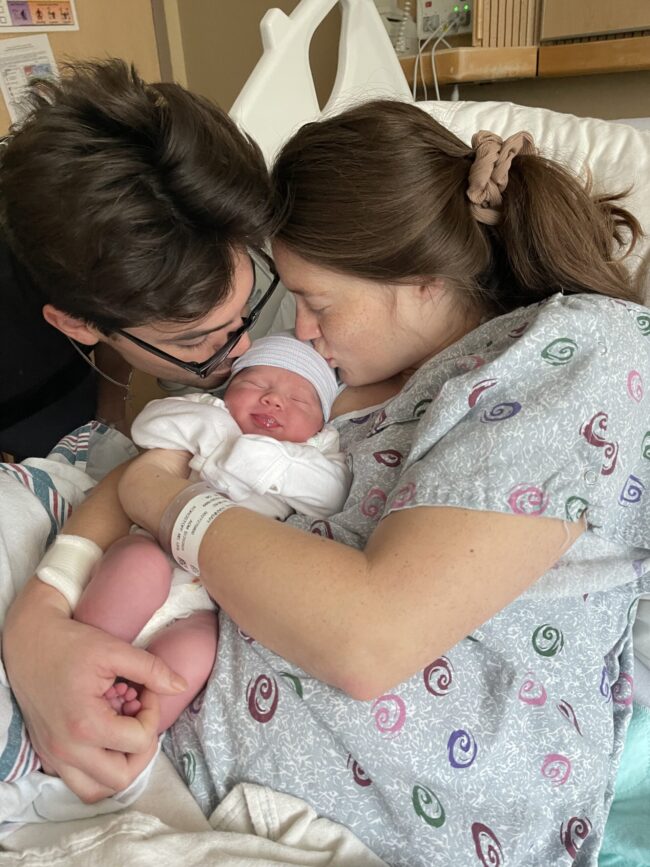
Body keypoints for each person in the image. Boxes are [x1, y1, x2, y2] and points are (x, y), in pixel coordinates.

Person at [5, 99, 650, 866]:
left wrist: (163, 501)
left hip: (361, 821)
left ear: (419, 278)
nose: (299, 331)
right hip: (164, 726)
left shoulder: (578, 351)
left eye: (314, 302)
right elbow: (168, 458)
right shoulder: (359, 382)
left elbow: (367, 640)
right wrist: (39, 620)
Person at [35, 334, 348, 733]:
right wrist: (216, 432)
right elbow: (149, 425)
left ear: (321, 424)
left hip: (204, 600)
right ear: (228, 389)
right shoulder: (210, 413)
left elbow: (332, 495)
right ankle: (82, 657)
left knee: (199, 649)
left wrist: (267, 461)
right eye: (255, 383)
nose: (272, 400)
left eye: (299, 400)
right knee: (137, 564)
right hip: (156, 544)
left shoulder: (317, 453)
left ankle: (139, 723)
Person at [0, 58, 274, 459]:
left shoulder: (104, 265)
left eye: (244, 307)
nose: (242, 345)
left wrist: (111, 414)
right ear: (76, 324)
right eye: (195, 338)